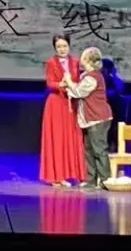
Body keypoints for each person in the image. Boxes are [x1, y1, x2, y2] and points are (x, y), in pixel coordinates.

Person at [63, 47, 114, 190]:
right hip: (90, 119)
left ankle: (105, 180)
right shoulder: (87, 76)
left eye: (83, 57)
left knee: (99, 150)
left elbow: (79, 92)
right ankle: (90, 180)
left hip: (98, 118)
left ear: (88, 60)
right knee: (89, 150)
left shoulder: (93, 77)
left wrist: (68, 81)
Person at [39, 34, 86, 186]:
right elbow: (50, 83)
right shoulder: (51, 62)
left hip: (71, 103)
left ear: (69, 46)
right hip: (56, 104)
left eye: (64, 46)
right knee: (57, 139)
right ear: (55, 48)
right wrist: (62, 84)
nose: (62, 49)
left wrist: (74, 85)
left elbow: (78, 80)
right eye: (58, 46)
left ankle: (76, 174)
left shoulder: (75, 62)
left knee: (72, 137)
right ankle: (57, 177)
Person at [101, 58, 125, 149]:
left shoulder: (113, 79)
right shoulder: (97, 79)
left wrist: (114, 75)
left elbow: (120, 88)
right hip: (100, 109)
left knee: (114, 127)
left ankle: (113, 145)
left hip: (113, 108)